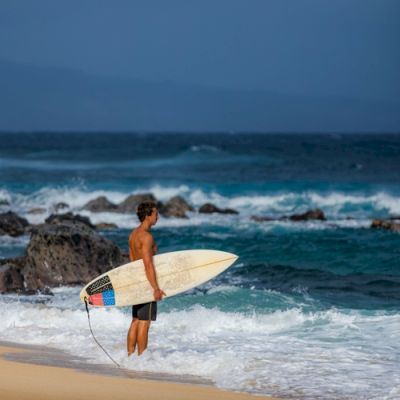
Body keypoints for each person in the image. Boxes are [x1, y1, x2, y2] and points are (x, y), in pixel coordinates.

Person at [127, 202, 166, 356]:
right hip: (146, 283)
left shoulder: (133, 235)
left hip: (136, 280)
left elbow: (132, 261)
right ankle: (142, 358)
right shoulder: (147, 237)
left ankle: (130, 355)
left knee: (136, 319)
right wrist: (155, 288)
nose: (157, 217)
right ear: (148, 215)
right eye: (156, 214)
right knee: (145, 322)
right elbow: (148, 265)